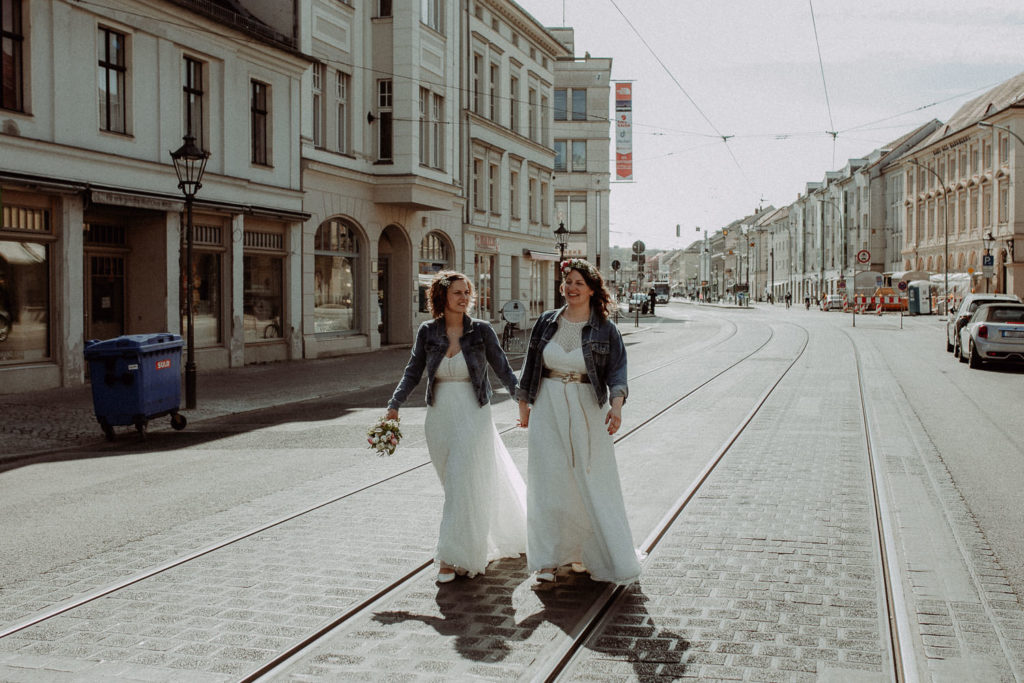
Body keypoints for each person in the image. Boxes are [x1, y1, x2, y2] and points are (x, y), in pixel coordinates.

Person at [386, 271, 526, 583]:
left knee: (462, 485)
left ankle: (452, 557)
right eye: (458, 293)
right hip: (439, 416)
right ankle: (467, 544)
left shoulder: (481, 331)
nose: (464, 298)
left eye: (467, 293)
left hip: (473, 414)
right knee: (455, 486)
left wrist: (522, 399)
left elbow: (503, 368)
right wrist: (394, 404)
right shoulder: (427, 332)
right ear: (442, 297)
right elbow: (413, 371)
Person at [517, 258, 642, 586]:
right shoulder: (546, 322)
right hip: (548, 406)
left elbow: (618, 372)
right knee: (547, 480)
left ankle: (582, 553)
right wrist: (523, 405)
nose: (571, 288)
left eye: (578, 283)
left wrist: (616, 408)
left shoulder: (605, 328)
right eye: (567, 282)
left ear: (591, 289)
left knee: (589, 479)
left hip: (588, 407)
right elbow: (530, 366)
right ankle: (546, 559)